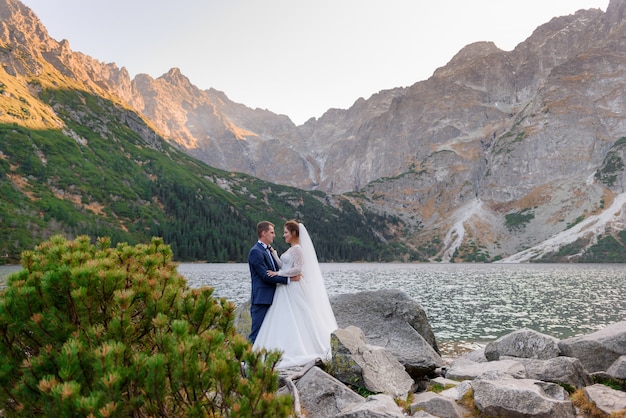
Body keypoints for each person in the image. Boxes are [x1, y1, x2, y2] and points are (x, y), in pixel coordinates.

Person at [252, 220, 338, 368]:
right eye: (275, 232)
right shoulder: (287, 249)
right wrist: (276, 256)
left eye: (285, 232)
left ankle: (295, 348)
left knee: (297, 316)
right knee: (284, 318)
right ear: (264, 233)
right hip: (285, 288)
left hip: (293, 288)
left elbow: (298, 269)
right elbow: (283, 266)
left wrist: (280, 274)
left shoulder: (297, 249)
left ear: (294, 233)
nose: (282, 235)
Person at [248, 221, 300, 344]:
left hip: (273, 297)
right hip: (261, 299)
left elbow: (277, 270)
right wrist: (289, 279)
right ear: (263, 233)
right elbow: (266, 276)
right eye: (271, 232)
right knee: (257, 331)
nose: (274, 235)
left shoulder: (267, 250)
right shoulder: (256, 251)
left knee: (268, 332)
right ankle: (246, 361)